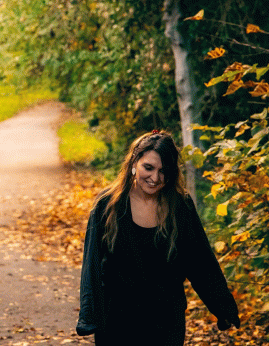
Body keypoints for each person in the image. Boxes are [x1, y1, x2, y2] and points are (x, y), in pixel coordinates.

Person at [76, 131, 240, 345]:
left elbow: (200, 261)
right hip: (117, 320)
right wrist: (89, 316)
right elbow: (92, 265)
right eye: (148, 167)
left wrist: (223, 307)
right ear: (134, 162)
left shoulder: (180, 206)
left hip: (166, 320)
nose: (155, 178)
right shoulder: (108, 204)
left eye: (164, 171)